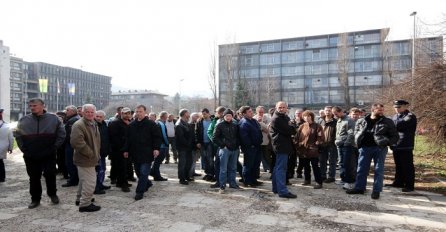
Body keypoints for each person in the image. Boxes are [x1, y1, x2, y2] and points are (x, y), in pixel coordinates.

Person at [14, 98, 66, 209]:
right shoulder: (24, 120)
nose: (32, 108)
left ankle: (52, 194)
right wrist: (25, 150)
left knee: (50, 175)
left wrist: (54, 148)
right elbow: (18, 136)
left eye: (35, 105)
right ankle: (35, 199)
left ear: (43, 106)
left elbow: (61, 134)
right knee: (33, 177)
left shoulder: (54, 119)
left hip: (49, 154)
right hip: (30, 155)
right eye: (30, 106)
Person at [347, 103, 399, 199]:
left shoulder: (387, 121)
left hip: (379, 149)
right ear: (373, 110)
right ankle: (359, 188)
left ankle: (376, 191)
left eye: (382, 110)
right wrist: (358, 142)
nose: (381, 112)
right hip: (364, 148)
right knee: (361, 169)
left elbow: (395, 136)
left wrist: (386, 142)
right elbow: (356, 132)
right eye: (379, 110)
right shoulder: (362, 121)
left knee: (378, 170)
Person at [123, 105, 161, 200]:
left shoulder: (151, 124)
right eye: (137, 111)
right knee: (139, 172)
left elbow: (157, 137)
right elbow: (127, 139)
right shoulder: (131, 125)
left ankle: (139, 192)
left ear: (145, 112)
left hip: (147, 153)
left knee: (144, 172)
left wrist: (156, 148)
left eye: (140, 111)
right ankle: (147, 183)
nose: (138, 113)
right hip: (135, 153)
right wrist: (126, 150)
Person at [71, 104, 101, 212]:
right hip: (85, 158)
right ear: (82, 112)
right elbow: (76, 142)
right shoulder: (78, 125)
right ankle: (85, 204)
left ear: (95, 113)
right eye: (87, 112)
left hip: (90, 158)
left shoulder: (93, 123)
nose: (90, 114)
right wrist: (91, 153)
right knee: (90, 182)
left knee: (84, 180)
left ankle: (80, 199)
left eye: (92, 112)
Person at [269, 101, 297, 198]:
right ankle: (282, 191)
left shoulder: (284, 117)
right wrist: (293, 125)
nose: (282, 109)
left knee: (278, 168)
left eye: (284, 107)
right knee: (281, 169)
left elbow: (291, 129)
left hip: (283, 146)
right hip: (281, 146)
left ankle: (276, 188)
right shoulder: (277, 119)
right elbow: (290, 131)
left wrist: (292, 126)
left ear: (286, 108)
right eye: (280, 107)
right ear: (276, 108)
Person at [388, 100, 417, 192]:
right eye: (395, 107)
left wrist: (390, 126)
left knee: (407, 166)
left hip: (405, 144)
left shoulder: (410, 116)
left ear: (405, 106)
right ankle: (398, 182)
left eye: (399, 107)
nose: (396, 109)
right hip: (396, 144)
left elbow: (398, 125)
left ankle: (409, 185)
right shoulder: (395, 116)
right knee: (399, 165)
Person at [213, 109, 241, 193]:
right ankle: (222, 185)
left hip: (234, 149)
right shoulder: (220, 125)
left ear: (232, 116)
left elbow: (238, 136)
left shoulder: (235, 125)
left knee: (233, 168)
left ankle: (233, 183)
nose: (228, 117)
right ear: (224, 116)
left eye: (230, 116)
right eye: (227, 116)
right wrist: (223, 145)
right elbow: (215, 137)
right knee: (223, 168)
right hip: (225, 150)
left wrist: (237, 145)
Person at [295, 110, 325, 189]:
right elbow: (297, 137)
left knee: (315, 166)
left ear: (312, 117)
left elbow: (321, 137)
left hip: (313, 150)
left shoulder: (317, 126)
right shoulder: (302, 126)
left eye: (308, 116)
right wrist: (298, 144)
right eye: (305, 116)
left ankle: (319, 182)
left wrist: (316, 144)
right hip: (303, 150)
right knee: (306, 166)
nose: (307, 118)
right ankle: (307, 180)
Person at [108, 107, 132, 192]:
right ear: (121, 114)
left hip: (127, 149)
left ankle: (120, 182)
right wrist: (122, 149)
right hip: (118, 150)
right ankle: (123, 184)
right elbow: (114, 138)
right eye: (125, 113)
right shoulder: (115, 123)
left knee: (126, 167)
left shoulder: (129, 122)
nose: (127, 115)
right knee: (122, 167)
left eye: (128, 113)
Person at [239, 106, 263, 187]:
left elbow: (259, 132)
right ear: (244, 114)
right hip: (250, 148)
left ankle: (254, 179)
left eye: (251, 111)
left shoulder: (254, 121)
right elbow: (244, 137)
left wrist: (260, 141)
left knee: (256, 164)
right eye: (249, 111)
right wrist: (251, 145)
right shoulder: (243, 123)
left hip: (257, 146)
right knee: (248, 165)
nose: (251, 112)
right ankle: (247, 181)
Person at [332, 106, 355, 190]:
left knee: (347, 164)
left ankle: (350, 182)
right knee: (341, 163)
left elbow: (351, 134)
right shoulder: (339, 120)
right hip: (339, 145)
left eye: (336, 114)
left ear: (341, 111)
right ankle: (343, 179)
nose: (335, 116)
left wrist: (346, 143)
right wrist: (336, 140)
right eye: (334, 114)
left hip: (347, 146)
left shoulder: (349, 120)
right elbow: (338, 133)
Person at [317, 106, 337, 184]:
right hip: (322, 144)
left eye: (329, 110)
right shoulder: (320, 121)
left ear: (332, 112)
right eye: (326, 110)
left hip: (332, 144)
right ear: (324, 111)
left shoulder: (335, 121)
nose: (327, 112)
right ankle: (322, 176)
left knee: (332, 161)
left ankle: (331, 177)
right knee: (322, 161)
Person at [207, 106, 226, 188]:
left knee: (229, 165)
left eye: (217, 112)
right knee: (218, 164)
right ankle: (219, 181)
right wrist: (215, 141)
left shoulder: (231, 121)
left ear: (221, 113)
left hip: (227, 147)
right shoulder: (215, 121)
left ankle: (225, 181)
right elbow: (209, 132)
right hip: (217, 146)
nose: (215, 113)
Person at [62, 105, 80, 187]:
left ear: (73, 111)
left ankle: (73, 180)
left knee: (70, 162)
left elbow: (70, 135)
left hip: (71, 145)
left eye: (67, 110)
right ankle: (74, 178)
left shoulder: (73, 120)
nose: (66, 111)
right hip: (72, 144)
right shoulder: (74, 118)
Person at [94, 110, 111, 194]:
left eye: (100, 117)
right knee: (98, 170)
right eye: (97, 116)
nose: (98, 118)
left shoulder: (105, 125)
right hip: (95, 153)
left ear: (103, 118)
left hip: (103, 152)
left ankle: (100, 184)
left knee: (103, 169)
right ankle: (96, 187)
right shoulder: (92, 125)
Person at [175, 109, 195, 185]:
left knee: (188, 163)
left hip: (188, 147)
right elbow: (181, 138)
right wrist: (188, 144)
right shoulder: (179, 124)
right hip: (182, 147)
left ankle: (187, 176)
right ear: (184, 114)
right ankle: (182, 178)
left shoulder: (186, 123)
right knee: (182, 163)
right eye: (187, 113)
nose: (189, 115)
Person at [195, 108, 213, 181]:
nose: (203, 115)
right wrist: (197, 142)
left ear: (208, 113)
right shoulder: (199, 122)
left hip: (210, 143)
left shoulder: (213, 121)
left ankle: (211, 174)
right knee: (204, 159)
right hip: (202, 143)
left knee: (210, 158)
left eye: (205, 114)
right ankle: (206, 173)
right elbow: (196, 132)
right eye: (202, 114)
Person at [152, 111, 169, 181]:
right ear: (163, 117)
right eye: (166, 116)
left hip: (158, 145)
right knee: (157, 162)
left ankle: (155, 174)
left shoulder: (157, 122)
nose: (167, 117)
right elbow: (164, 135)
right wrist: (167, 143)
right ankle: (155, 175)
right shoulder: (161, 124)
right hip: (161, 146)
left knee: (157, 162)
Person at [255, 106, 272, 174]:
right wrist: (263, 128)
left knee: (267, 156)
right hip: (257, 141)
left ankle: (271, 169)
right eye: (259, 112)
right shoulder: (254, 118)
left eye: (262, 112)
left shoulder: (268, 118)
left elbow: (268, 130)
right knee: (258, 158)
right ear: (256, 112)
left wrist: (261, 123)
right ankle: (257, 172)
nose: (261, 113)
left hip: (266, 141)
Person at [0, 108, 13, 182]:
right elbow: (11, 138)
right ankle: (2, 178)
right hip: (2, 147)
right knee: (0, 162)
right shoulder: (6, 125)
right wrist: (10, 148)